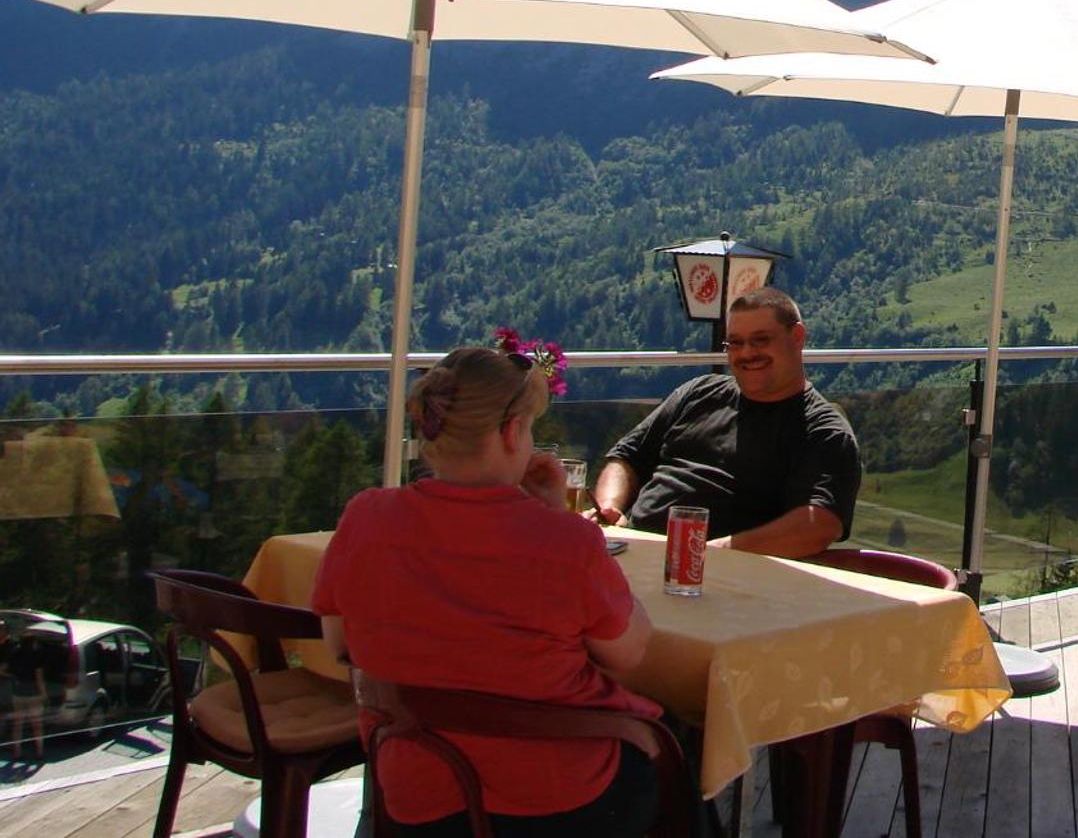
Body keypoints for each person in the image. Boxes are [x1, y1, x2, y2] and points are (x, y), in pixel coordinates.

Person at [312, 344, 659, 837]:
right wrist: (555, 516)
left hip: (418, 791)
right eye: (531, 428)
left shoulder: (366, 517)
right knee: (672, 763)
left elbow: (339, 644)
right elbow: (629, 653)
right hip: (554, 799)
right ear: (512, 432)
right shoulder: (565, 542)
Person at [593, 288, 861, 558]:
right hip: (632, 550)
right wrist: (609, 508)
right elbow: (627, 457)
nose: (747, 353)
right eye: (735, 342)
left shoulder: (823, 430)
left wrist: (713, 551)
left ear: (797, 337)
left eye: (760, 340)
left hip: (720, 569)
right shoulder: (698, 393)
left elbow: (819, 524)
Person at [2, 617, 46, 761]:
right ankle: (39, 752)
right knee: (37, 724)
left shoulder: (14, 652)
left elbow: (2, 669)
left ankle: (17, 752)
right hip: (33, 693)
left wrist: (13, 676)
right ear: (33, 641)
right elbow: (39, 676)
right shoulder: (37, 654)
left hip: (18, 692)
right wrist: (43, 693)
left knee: (18, 724)